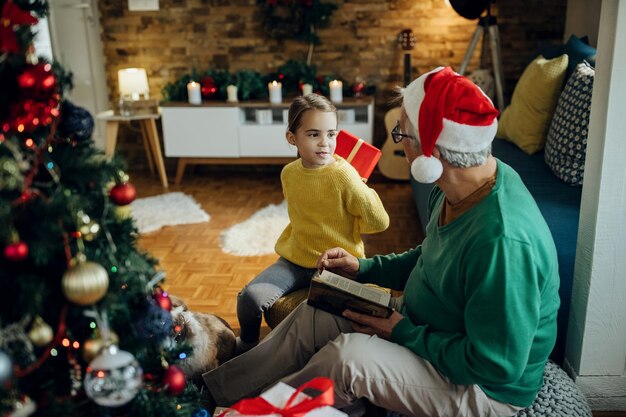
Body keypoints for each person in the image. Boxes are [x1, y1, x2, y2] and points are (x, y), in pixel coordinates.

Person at [203, 67, 560, 417]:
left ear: (430, 156)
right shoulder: (455, 188)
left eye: (401, 135)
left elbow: (495, 366)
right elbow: (430, 256)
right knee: (318, 311)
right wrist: (364, 269)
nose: (399, 143)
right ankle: (212, 394)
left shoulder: (504, 242)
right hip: (428, 324)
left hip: (481, 387)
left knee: (347, 360)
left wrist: (402, 332)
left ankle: (252, 413)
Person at [235, 93, 390, 353]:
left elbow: (379, 222)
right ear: (292, 138)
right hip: (295, 260)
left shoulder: (344, 175)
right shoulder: (289, 173)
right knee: (249, 298)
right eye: (314, 134)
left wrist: (357, 185)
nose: (325, 143)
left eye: (331, 134)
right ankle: (246, 345)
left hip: (338, 266)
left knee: (344, 317)